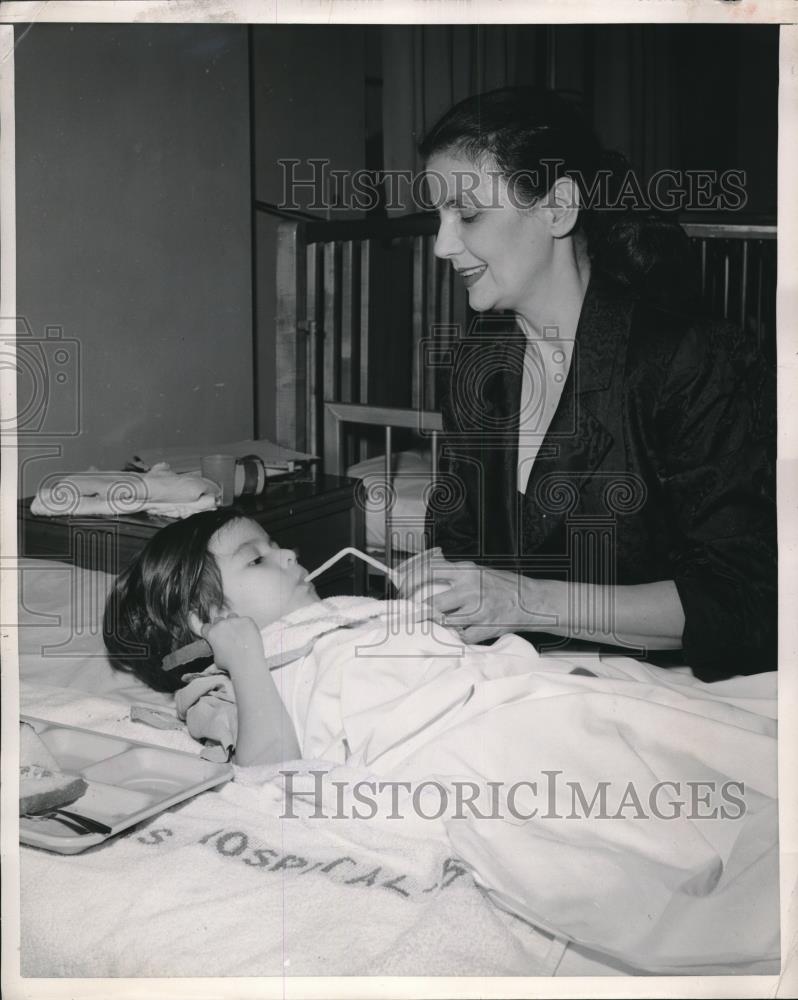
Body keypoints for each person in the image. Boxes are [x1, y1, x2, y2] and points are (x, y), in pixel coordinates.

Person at [101, 508, 778, 970]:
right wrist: (243, 657)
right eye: (258, 558)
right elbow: (267, 776)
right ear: (207, 614)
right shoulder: (229, 685)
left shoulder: (343, 612)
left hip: (505, 697)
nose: (287, 553)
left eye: (273, 544)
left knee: (677, 735)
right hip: (469, 742)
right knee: (661, 811)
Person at [413, 87, 776, 681]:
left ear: (558, 207)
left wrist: (528, 600)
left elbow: (746, 600)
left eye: (468, 214)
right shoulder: (478, 363)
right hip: (524, 680)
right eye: (439, 217)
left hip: (671, 690)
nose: (442, 245)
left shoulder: (693, 361)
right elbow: (459, 542)